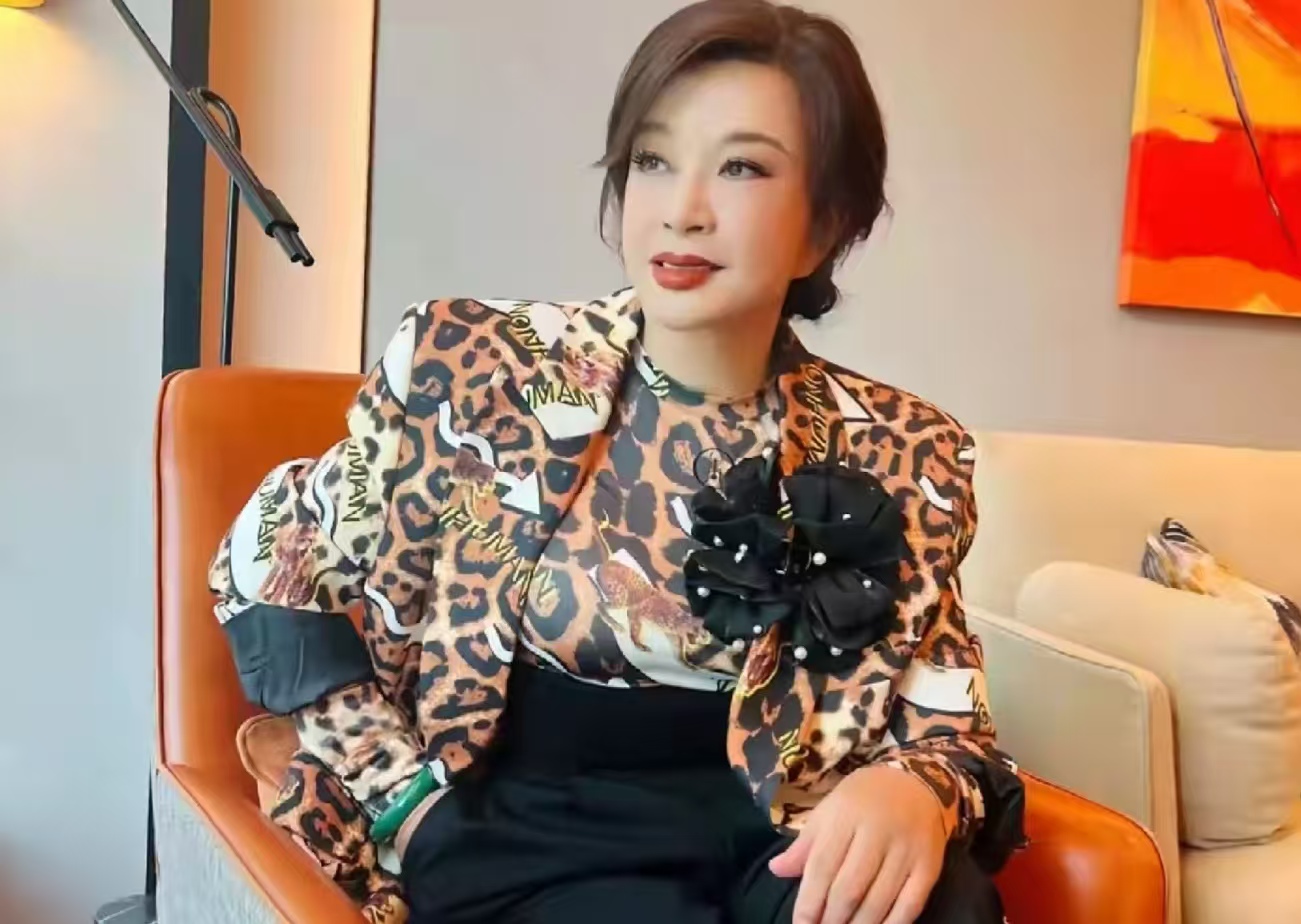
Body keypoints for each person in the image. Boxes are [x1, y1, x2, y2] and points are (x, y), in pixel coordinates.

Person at [209, 2, 1025, 922]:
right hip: (532, 837)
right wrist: (405, 802)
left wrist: (915, 788)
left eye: (742, 167)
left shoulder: (905, 447)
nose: (682, 209)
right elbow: (268, 563)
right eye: (652, 160)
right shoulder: (473, 365)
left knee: (945, 906)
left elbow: (951, 724)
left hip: (778, 836)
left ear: (822, 223)